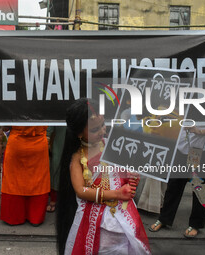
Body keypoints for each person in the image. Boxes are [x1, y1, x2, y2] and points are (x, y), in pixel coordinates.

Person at [57, 98, 150, 255]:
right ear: (79, 133)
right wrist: (116, 194)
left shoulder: (111, 144)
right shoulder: (77, 157)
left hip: (123, 212)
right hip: (94, 220)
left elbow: (122, 173)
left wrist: (131, 177)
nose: (102, 131)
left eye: (102, 125)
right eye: (95, 130)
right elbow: (81, 190)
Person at [149, 125, 205, 239]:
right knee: (174, 184)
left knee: (200, 188)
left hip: (203, 150)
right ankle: (164, 218)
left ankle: (196, 224)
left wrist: (199, 131)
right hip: (182, 147)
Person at [0, 126, 50, 226]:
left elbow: (5, 128)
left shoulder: (12, 108)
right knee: (38, 179)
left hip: (16, 144)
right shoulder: (45, 109)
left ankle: (14, 216)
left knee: (13, 180)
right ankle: (35, 217)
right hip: (39, 143)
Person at [46, 126, 66, 212]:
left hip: (77, 139)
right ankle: (54, 199)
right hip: (59, 142)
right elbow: (49, 129)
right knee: (56, 166)